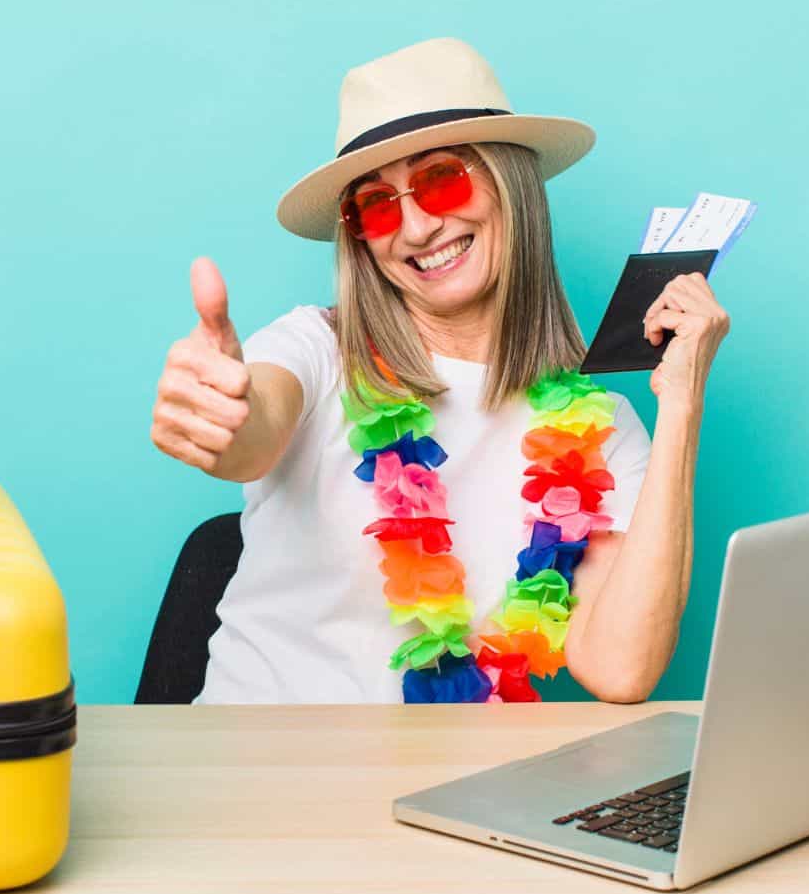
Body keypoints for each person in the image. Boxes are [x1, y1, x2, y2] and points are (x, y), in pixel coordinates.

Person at [150, 38, 729, 705]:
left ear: (510, 185)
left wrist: (682, 401)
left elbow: (621, 670)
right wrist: (222, 415)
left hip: (448, 769)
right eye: (376, 205)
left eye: (441, 179)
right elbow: (256, 429)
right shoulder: (317, 348)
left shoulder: (599, 430)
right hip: (260, 757)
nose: (418, 228)